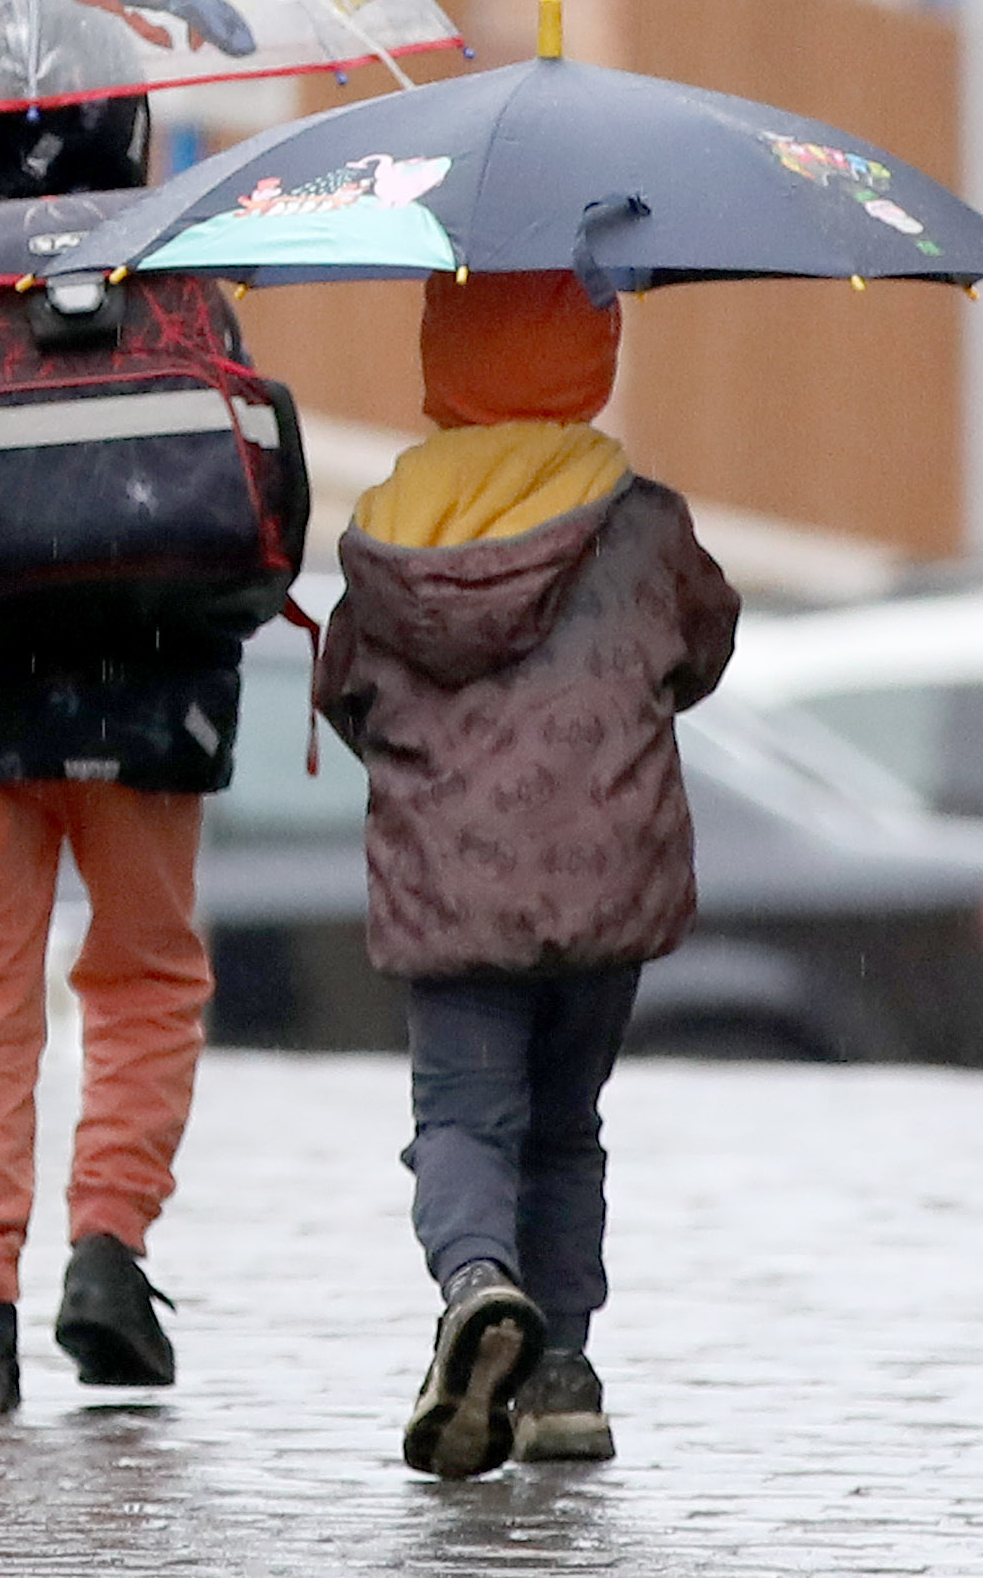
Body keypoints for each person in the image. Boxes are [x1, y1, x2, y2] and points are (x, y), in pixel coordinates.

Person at [0, 95, 304, 1415]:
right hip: (156, 693)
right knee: (147, 974)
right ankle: (108, 1249)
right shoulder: (181, 281)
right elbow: (259, 500)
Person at [311, 270, 738, 1479]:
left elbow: (344, 689)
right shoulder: (643, 526)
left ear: (440, 360)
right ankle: (562, 1382)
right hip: (606, 879)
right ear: (590, 358)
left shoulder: (390, 529)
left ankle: (476, 1287)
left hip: (449, 890)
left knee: (462, 1119)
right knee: (564, 1129)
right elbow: (703, 645)